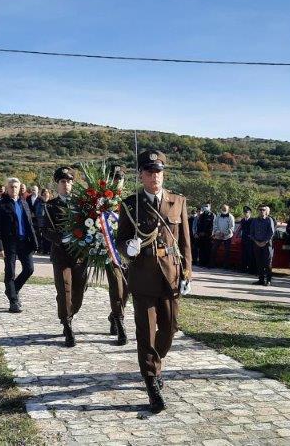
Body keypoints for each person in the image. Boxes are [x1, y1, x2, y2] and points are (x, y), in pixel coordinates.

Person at [115, 149, 192, 413]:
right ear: (141, 175)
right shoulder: (130, 204)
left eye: (158, 171)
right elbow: (120, 239)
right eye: (149, 172)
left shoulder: (178, 202)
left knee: (169, 330)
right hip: (142, 276)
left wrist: (187, 273)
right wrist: (128, 248)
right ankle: (151, 384)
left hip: (170, 275)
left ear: (163, 173)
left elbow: (185, 242)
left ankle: (155, 364)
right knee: (146, 335)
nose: (154, 176)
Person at [42, 167, 88, 347]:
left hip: (80, 256)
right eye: (62, 181)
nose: (66, 185)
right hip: (61, 255)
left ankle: (69, 312)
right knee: (65, 291)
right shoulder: (50, 206)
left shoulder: (82, 205)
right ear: (57, 184)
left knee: (78, 293)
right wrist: (61, 238)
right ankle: (67, 324)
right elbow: (45, 230)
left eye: (69, 181)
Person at [0, 177, 39, 313]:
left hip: (25, 242)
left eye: (16, 187)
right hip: (9, 243)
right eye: (11, 187)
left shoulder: (24, 203)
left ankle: (13, 290)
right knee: (10, 272)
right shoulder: (0, 205)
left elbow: (29, 224)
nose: (14, 189)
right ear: (7, 188)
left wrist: (35, 243)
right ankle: (13, 301)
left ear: (20, 188)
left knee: (29, 269)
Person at [105, 167, 129, 346]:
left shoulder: (127, 201)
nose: (117, 181)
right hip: (109, 252)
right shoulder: (102, 200)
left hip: (127, 253)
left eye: (120, 179)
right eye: (115, 178)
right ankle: (120, 323)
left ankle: (114, 315)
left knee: (127, 288)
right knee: (116, 286)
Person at [248, 206, 276, 286]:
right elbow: (251, 232)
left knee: (267, 263)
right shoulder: (254, 220)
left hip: (267, 245)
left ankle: (268, 280)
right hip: (256, 244)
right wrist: (256, 241)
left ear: (266, 211)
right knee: (259, 262)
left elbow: (271, 232)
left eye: (263, 210)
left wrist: (265, 242)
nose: (261, 211)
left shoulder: (269, 220)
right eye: (260, 210)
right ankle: (261, 279)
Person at [211, 204, 235, 269]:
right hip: (218, 235)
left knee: (227, 251)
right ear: (221, 209)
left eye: (225, 209)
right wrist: (218, 232)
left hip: (227, 236)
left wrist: (224, 233)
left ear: (228, 209)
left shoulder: (231, 217)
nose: (224, 210)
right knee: (214, 249)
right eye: (223, 209)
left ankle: (225, 265)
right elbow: (215, 225)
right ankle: (212, 264)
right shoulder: (218, 216)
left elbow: (232, 228)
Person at [239, 206, 255, 274]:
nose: (245, 213)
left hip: (250, 240)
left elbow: (253, 229)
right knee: (243, 254)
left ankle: (251, 269)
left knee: (250, 255)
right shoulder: (242, 220)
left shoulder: (252, 220)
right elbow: (242, 229)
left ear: (250, 213)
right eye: (244, 212)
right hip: (244, 239)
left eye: (247, 212)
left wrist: (251, 235)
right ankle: (243, 268)